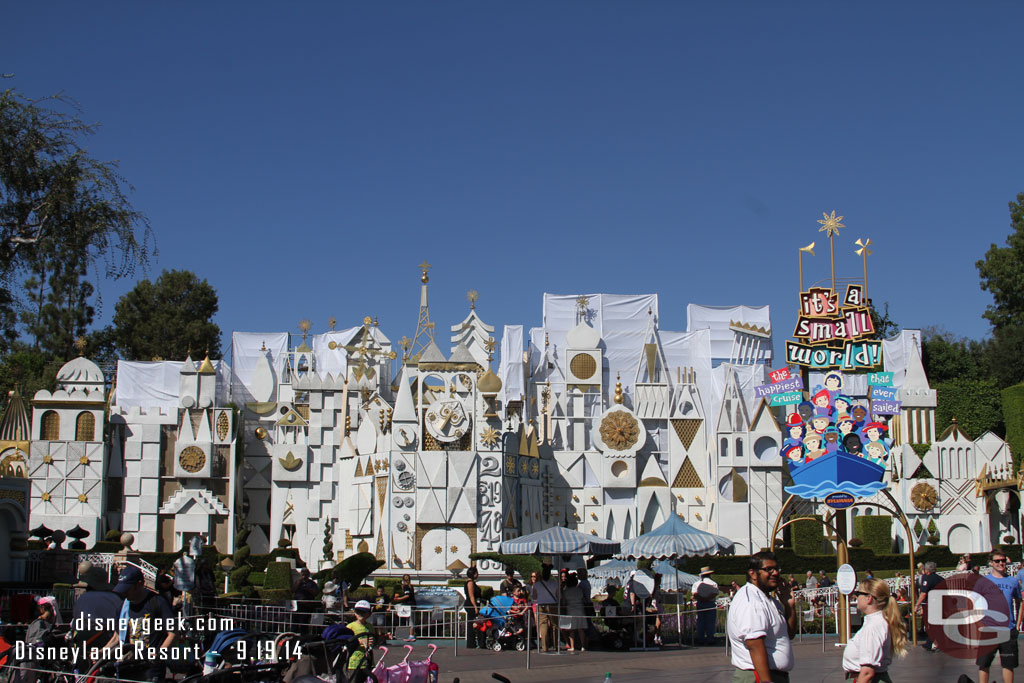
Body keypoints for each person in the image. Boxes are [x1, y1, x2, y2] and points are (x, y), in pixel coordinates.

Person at [726, 551, 797, 683]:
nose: (775, 573)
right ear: (752, 573)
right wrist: (766, 681)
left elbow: (789, 634)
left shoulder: (769, 600)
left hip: (772, 675)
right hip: (757, 676)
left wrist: (789, 605)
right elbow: (754, 644)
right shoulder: (751, 601)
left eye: (776, 569)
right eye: (768, 569)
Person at [105, 566, 177, 683]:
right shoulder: (123, 607)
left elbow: (173, 633)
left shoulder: (157, 602)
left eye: (127, 589)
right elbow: (117, 637)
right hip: (128, 666)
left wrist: (159, 654)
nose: (124, 593)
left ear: (139, 584)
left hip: (151, 669)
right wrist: (103, 651)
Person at [843, 578, 908, 682]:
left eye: (858, 593)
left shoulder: (872, 627)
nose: (856, 596)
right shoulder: (877, 622)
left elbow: (867, 672)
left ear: (869, 598)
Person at [977, 551, 1023, 683]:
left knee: (1009, 664)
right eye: (997, 561)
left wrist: (1018, 622)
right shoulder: (984, 581)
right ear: (991, 563)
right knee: (984, 663)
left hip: (1008, 629)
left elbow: (1019, 602)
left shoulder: (1013, 581)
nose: (1001, 563)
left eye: (1003, 560)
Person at [914, 562, 942, 651]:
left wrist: (917, 605)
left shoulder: (927, 578)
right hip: (941, 604)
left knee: (930, 625)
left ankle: (934, 643)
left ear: (927, 570)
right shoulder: (940, 579)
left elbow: (923, 594)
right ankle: (932, 642)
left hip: (931, 605)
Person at [531, 563, 559, 652]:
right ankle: (556, 645)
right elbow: (559, 596)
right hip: (553, 604)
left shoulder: (537, 585)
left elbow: (534, 597)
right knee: (555, 625)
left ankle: (544, 647)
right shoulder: (555, 583)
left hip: (541, 604)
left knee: (543, 625)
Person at [693, 566, 720, 645]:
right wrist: (707, 599)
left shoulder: (697, 584)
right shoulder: (713, 583)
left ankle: (700, 638)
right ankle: (710, 638)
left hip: (700, 603)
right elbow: (714, 593)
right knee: (710, 622)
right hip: (710, 603)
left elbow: (694, 594)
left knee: (700, 621)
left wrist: (701, 599)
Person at [561, 573, 588, 652]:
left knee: (572, 630)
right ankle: (583, 646)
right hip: (580, 610)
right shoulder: (579, 590)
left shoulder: (566, 591)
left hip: (571, 610)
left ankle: (572, 646)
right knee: (580, 629)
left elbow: (563, 602)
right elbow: (584, 599)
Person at [346, 600, 373, 674]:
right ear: (354, 613)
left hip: (368, 661)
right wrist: (360, 641)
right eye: (358, 612)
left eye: (363, 612)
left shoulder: (370, 626)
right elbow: (346, 642)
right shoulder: (350, 626)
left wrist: (383, 637)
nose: (361, 614)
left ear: (369, 614)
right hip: (354, 662)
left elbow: (373, 641)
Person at [463, 566, 486, 649]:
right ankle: (473, 643)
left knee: (474, 623)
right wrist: (475, 607)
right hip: (471, 605)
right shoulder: (470, 583)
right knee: (476, 623)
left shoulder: (471, 582)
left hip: (472, 604)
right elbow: (471, 596)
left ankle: (474, 643)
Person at [393, 574, 418, 641]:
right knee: (409, 620)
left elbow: (407, 595)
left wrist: (399, 599)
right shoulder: (411, 586)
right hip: (411, 604)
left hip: (410, 605)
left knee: (411, 620)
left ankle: (411, 635)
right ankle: (410, 634)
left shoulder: (406, 586)